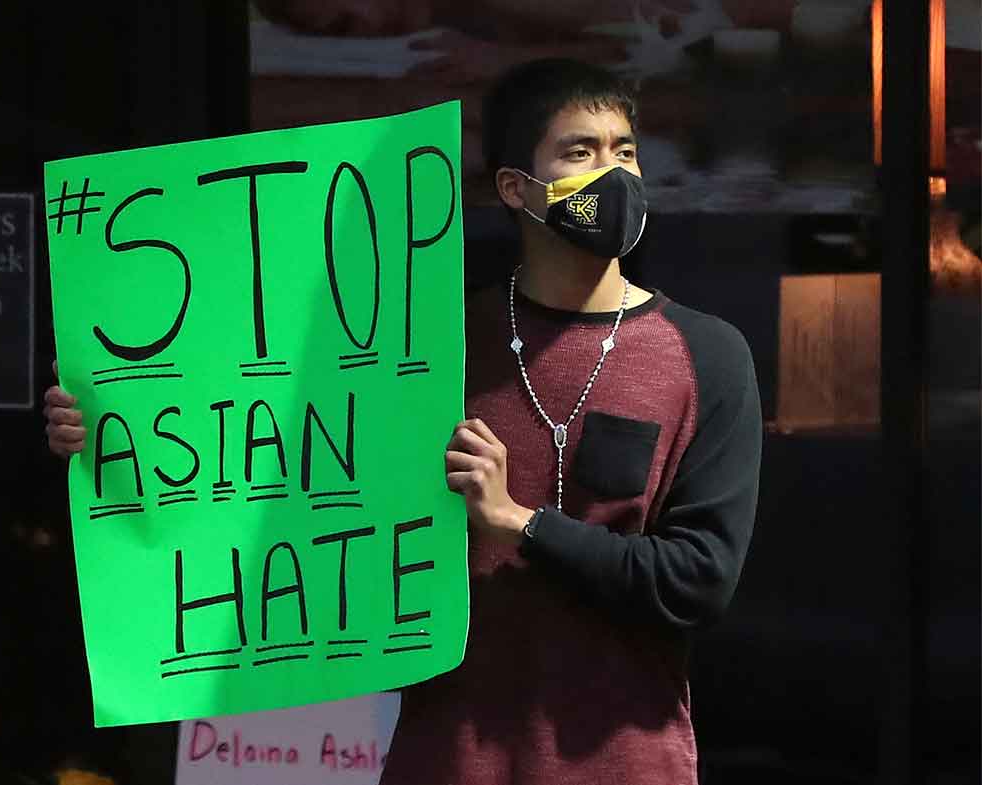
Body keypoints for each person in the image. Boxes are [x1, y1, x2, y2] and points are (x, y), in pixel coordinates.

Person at [44, 58, 762, 785]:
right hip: (444, 761)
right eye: (581, 152)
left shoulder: (706, 356)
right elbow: (259, 471)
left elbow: (698, 581)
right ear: (516, 188)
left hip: (628, 768)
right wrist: (109, 433)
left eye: (625, 151)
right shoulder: (422, 347)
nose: (613, 177)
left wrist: (521, 523)